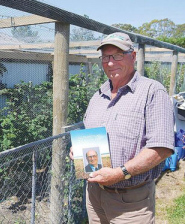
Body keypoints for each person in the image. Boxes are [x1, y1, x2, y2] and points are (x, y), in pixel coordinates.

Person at [69, 32, 174, 224]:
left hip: (131, 203)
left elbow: (162, 148)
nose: (110, 62)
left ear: (132, 57)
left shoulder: (152, 91)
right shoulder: (98, 95)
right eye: (106, 57)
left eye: (117, 55)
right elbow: (91, 136)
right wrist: (78, 151)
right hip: (94, 195)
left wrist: (120, 173)